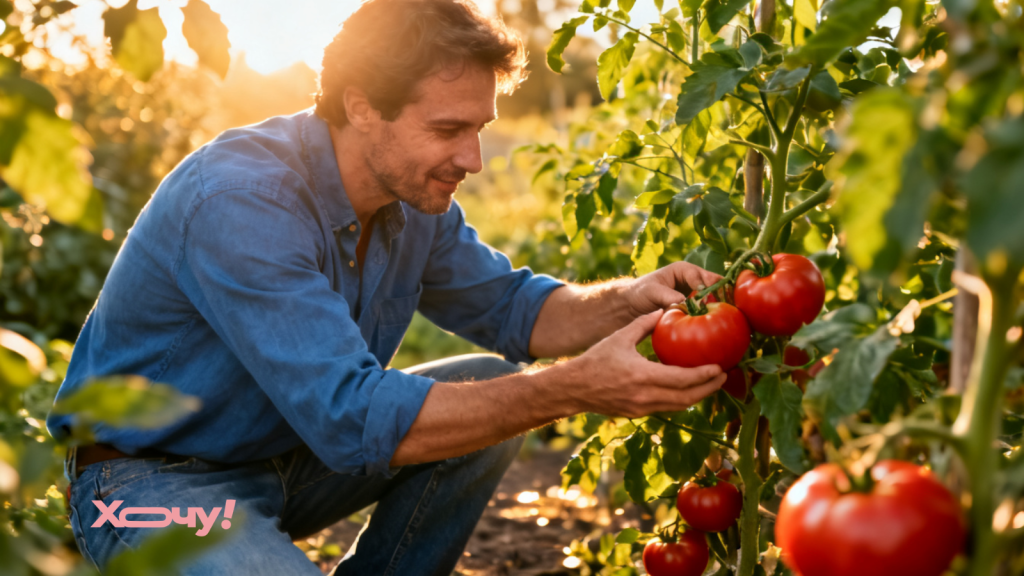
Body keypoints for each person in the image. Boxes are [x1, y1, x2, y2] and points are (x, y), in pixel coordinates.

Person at [46, 0, 727, 573]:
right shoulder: (243, 199)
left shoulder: (411, 200)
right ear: (362, 106)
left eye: (479, 128)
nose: (473, 159)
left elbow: (516, 309)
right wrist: (571, 388)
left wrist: (629, 299)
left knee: (491, 387)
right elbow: (350, 417)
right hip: (148, 482)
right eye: (448, 129)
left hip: (285, 459)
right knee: (510, 399)